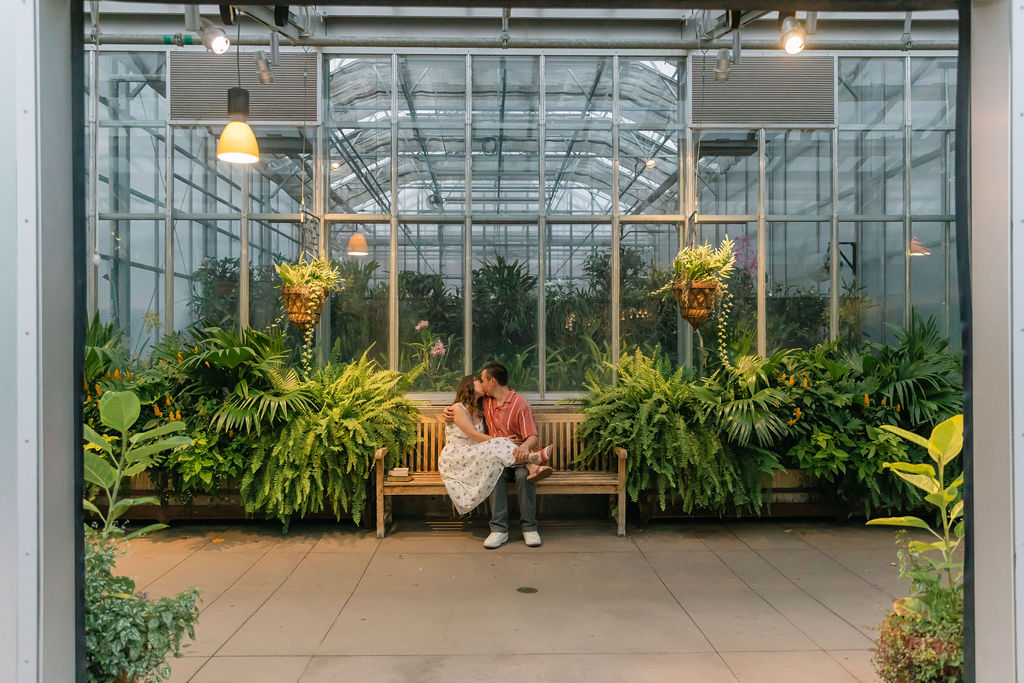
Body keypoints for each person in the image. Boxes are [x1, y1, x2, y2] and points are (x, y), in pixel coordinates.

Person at [444, 363, 552, 549]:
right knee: (495, 472)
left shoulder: (520, 404)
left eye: (483, 380)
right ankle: (499, 530)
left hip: (518, 458)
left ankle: (529, 528)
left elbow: (532, 436)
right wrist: (446, 412)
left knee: (522, 475)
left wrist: (524, 448)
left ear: (492, 382)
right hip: (497, 459)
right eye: (479, 381)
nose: (481, 383)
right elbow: (462, 412)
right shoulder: (485, 403)